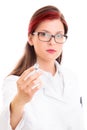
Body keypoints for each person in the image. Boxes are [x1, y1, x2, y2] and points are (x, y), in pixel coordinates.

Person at [0, 5, 85, 130]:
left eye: (59, 35)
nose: (52, 42)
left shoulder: (71, 78)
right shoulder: (15, 83)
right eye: (44, 34)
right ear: (30, 38)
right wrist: (20, 101)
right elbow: (7, 126)